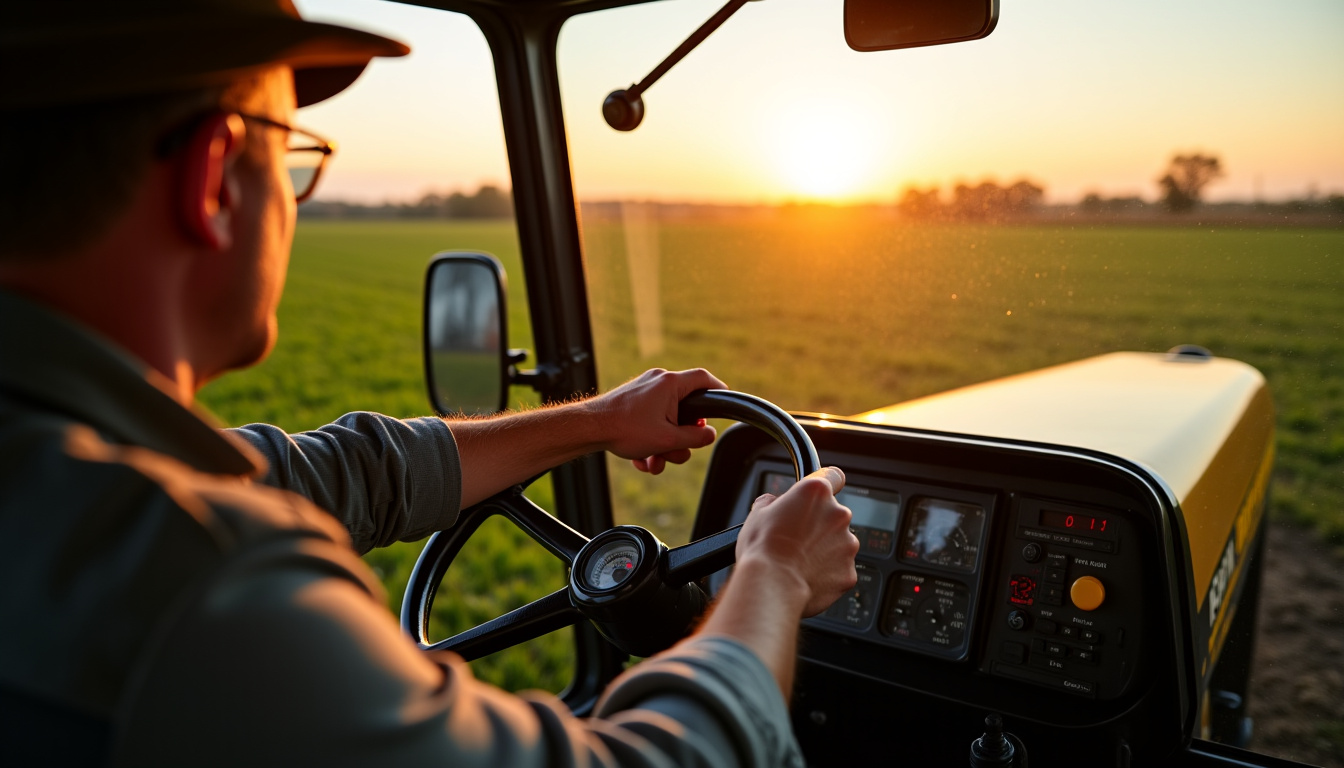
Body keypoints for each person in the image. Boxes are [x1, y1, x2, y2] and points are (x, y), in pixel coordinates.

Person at [0, 2, 859, 766]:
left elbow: (336, 474)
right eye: (290, 155)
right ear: (216, 177)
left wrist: (598, 420)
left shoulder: (66, 473)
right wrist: (775, 574)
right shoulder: (201, 594)